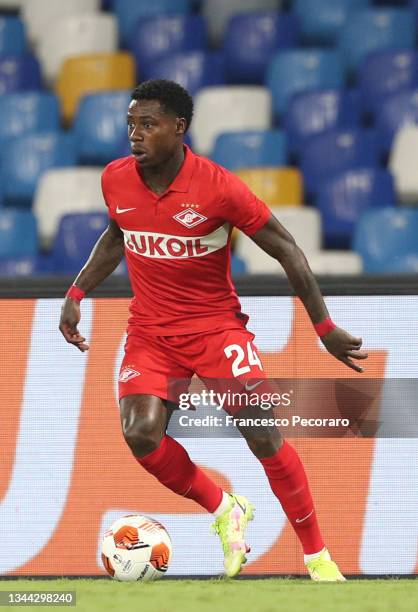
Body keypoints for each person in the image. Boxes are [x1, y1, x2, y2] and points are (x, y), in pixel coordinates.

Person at [59, 79, 368, 581]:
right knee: (140, 433)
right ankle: (224, 508)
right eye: (131, 124)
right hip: (151, 332)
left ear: (179, 128)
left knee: (263, 433)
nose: (134, 135)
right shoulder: (116, 178)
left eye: (148, 124)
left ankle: (318, 557)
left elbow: (286, 248)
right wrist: (76, 294)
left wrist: (324, 325)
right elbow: (118, 234)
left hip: (216, 330)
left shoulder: (218, 187)